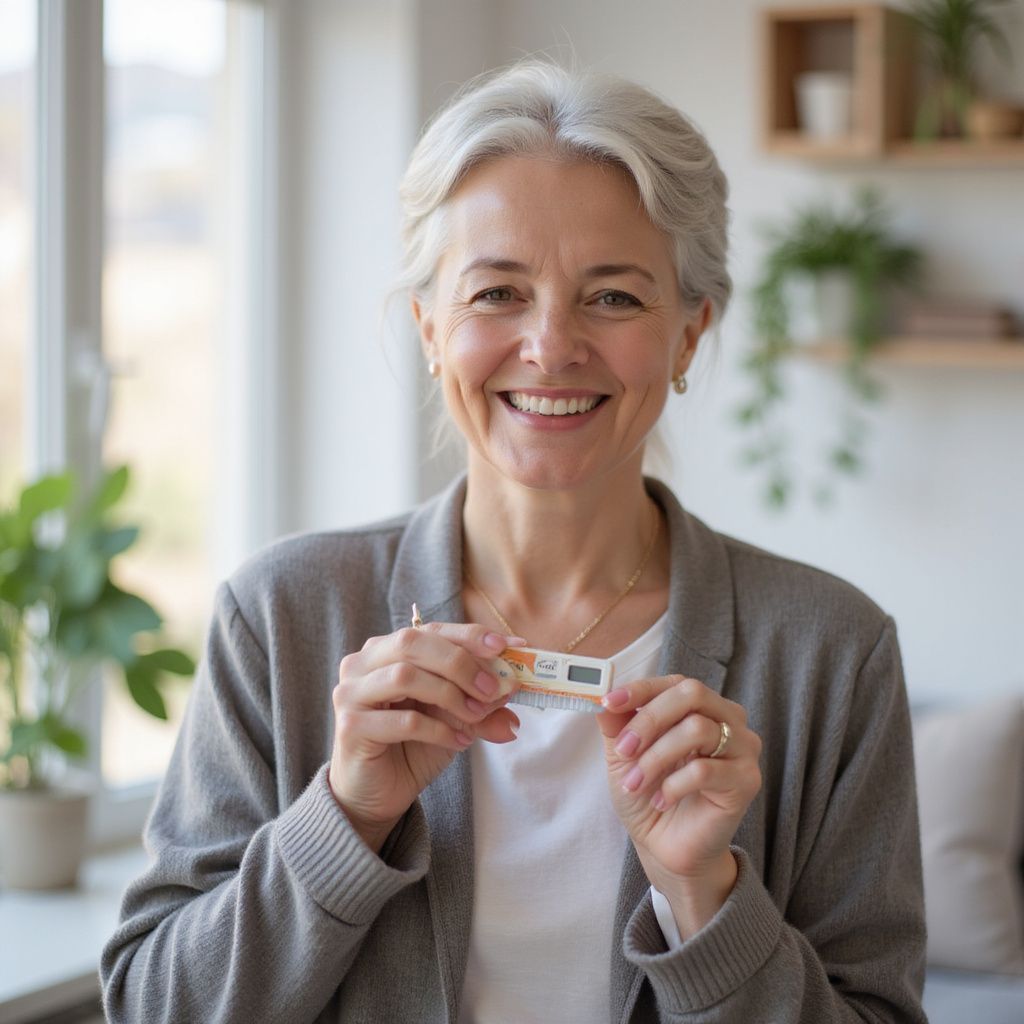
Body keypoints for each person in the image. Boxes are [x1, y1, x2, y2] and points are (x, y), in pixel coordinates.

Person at [100, 60, 927, 1023]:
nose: (550, 346)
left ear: (691, 334)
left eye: (613, 298)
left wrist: (705, 896)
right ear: (429, 328)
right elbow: (152, 1007)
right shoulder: (281, 614)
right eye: (497, 293)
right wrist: (346, 819)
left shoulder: (833, 651)